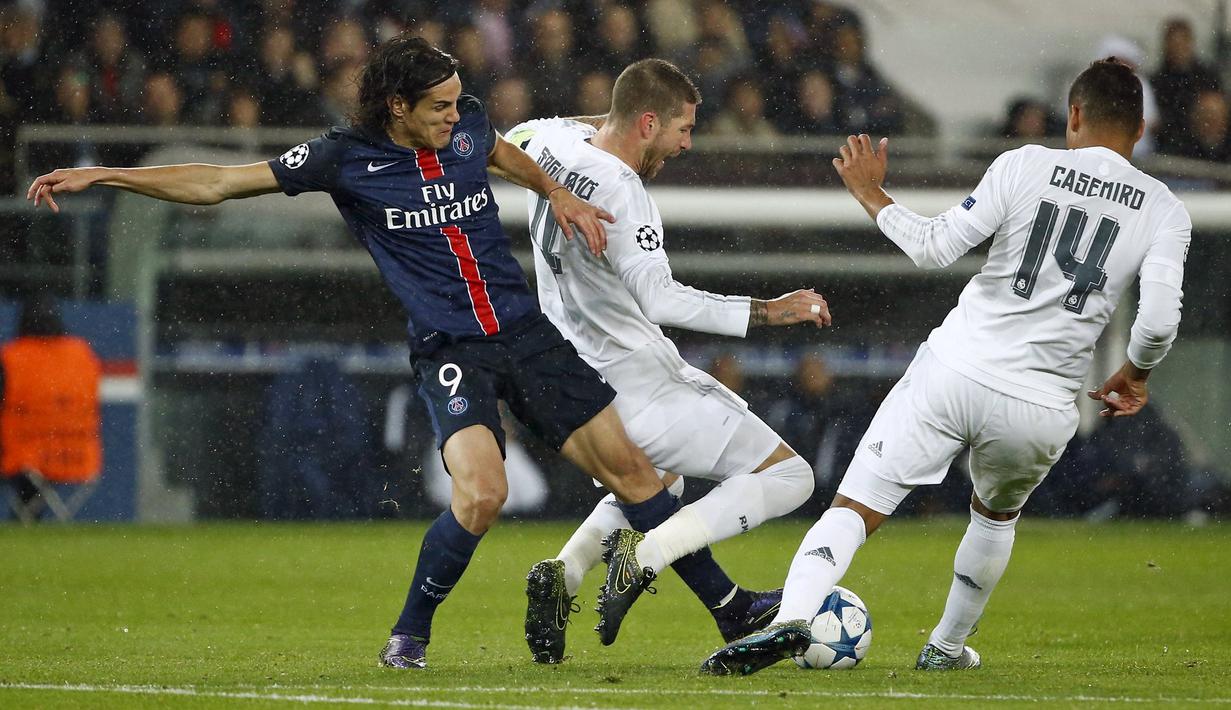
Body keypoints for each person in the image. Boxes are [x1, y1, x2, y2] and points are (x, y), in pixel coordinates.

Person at [27, 35, 681, 671]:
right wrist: (106, 174)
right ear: (399, 106)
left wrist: (556, 191)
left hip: (522, 330)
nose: (458, 114)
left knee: (632, 468)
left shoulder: (467, 126)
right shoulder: (342, 157)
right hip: (449, 346)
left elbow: (503, 152)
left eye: (459, 103)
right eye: (441, 104)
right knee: (483, 497)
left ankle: (730, 608)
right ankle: (409, 634)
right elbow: (216, 182)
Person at [701, 58, 1190, 675]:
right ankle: (946, 647)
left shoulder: (1024, 165)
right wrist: (1137, 372)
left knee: (853, 508)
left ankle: (795, 615)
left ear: (1073, 115)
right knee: (994, 517)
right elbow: (1158, 322)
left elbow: (934, 247)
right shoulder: (1164, 208)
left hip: (955, 368)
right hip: (1041, 404)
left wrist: (871, 193)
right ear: (1140, 127)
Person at [505, 58, 830, 662]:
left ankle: (566, 571)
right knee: (790, 477)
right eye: (682, 129)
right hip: (640, 383)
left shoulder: (551, 143)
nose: (687, 144)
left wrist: (609, 120)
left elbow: (515, 133)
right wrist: (770, 311)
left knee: (663, 482)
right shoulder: (624, 192)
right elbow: (660, 297)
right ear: (648, 123)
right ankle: (646, 558)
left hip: (579, 382)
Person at [1, 295, 102, 522]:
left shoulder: (13, 357)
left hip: (25, 451)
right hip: (77, 452)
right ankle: (26, 518)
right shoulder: (81, 353)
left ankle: (23, 520)